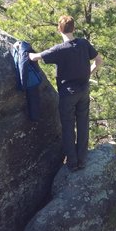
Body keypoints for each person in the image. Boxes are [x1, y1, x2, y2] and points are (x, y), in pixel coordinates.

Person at [29, 15, 103, 171]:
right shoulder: (83, 43)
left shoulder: (59, 49)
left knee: (68, 127)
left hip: (67, 94)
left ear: (59, 29)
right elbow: (99, 60)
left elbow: (35, 57)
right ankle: (82, 159)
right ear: (74, 29)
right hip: (83, 90)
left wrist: (22, 50)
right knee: (83, 124)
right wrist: (88, 73)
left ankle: (72, 162)